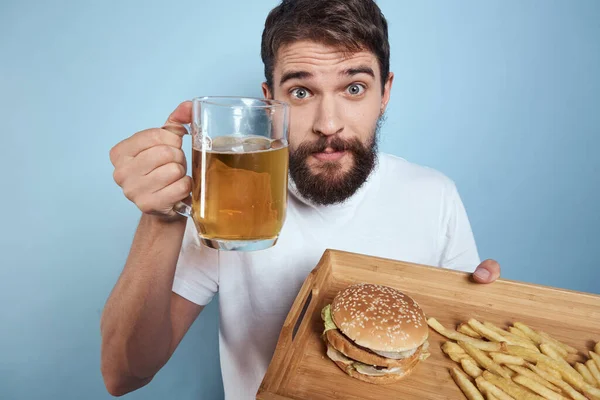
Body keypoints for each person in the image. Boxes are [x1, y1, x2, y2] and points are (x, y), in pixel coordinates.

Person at [100, 0, 501, 398]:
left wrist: (492, 311)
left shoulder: (436, 194)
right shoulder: (226, 206)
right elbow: (124, 375)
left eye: (355, 88)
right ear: (269, 100)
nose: (329, 124)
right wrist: (160, 219)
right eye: (302, 91)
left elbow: (461, 348)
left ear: (385, 93)